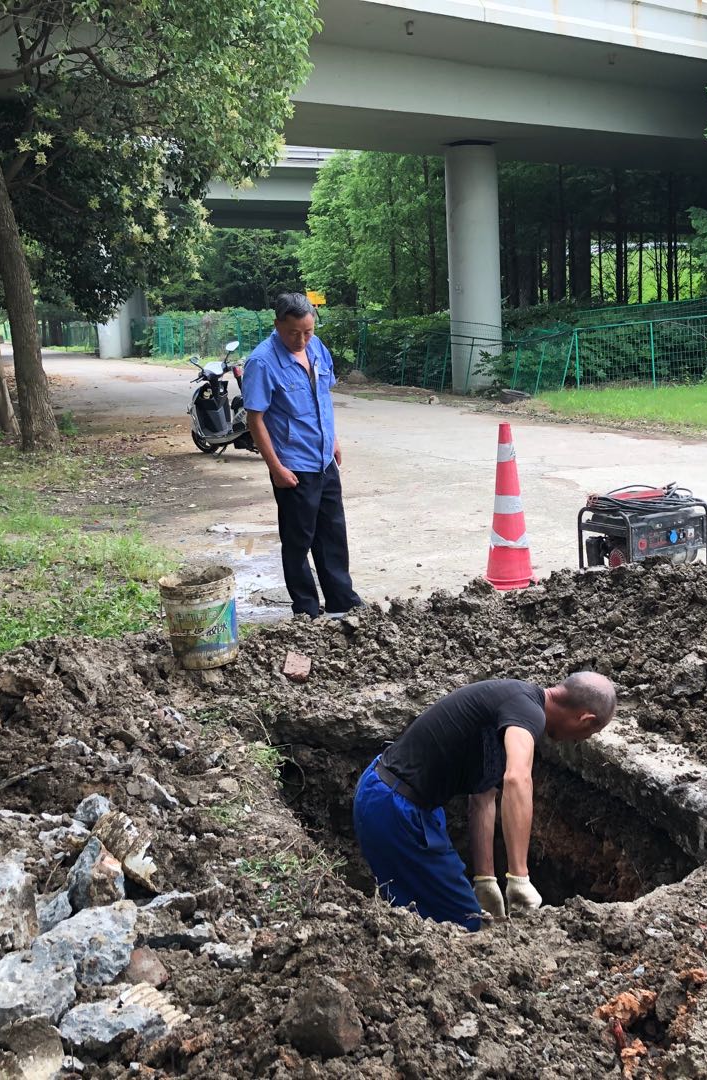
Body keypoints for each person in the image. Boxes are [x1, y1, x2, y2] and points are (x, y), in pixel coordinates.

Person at [353, 673, 617, 930]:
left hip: (394, 796)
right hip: (395, 806)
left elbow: (483, 798)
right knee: (462, 922)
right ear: (586, 719)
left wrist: (485, 880)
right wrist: (519, 877)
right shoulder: (528, 711)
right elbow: (517, 779)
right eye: (589, 733)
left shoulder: (512, 705)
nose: (581, 740)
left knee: (434, 914)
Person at [242, 293, 363, 618]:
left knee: (332, 533)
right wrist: (276, 468)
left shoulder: (316, 348)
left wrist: (333, 439)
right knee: (299, 542)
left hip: (324, 460)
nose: (301, 339)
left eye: (307, 331)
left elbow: (322, 397)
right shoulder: (262, 362)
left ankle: (342, 601)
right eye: (294, 332)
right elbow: (255, 419)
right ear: (277, 324)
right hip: (293, 467)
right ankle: (306, 610)